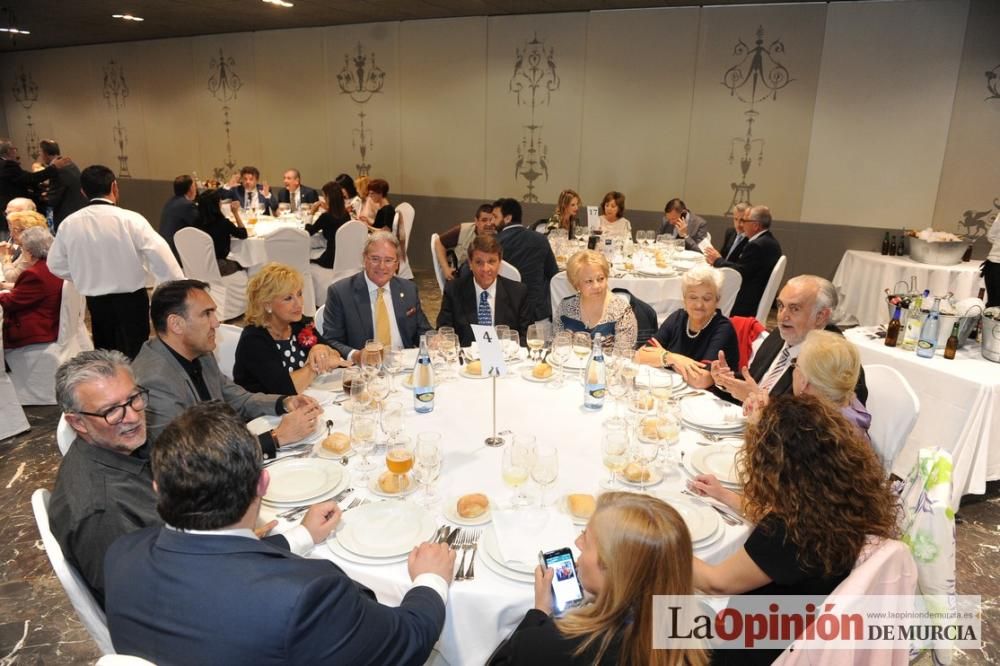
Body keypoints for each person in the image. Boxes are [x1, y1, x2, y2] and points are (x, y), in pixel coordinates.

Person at [104, 402, 455, 665]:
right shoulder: (308, 595)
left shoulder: (121, 555)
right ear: (263, 483)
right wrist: (430, 581)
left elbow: (213, 564)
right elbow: (407, 641)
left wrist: (300, 537)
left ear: (156, 487)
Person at [48, 351, 334, 609]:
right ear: (77, 423)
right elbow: (172, 596)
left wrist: (228, 537)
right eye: (111, 411)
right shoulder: (102, 512)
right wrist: (296, 539)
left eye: (134, 398)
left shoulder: (120, 449)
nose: (133, 417)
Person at [690, 394, 897, 665]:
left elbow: (715, 583)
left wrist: (661, 540)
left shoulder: (785, 534)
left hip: (755, 645)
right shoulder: (840, 501)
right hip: (802, 626)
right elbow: (776, 514)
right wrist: (727, 496)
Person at [488, 492, 707, 666]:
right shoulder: (705, 625)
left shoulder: (553, 646)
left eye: (587, 539)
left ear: (610, 568)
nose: (577, 542)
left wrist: (538, 613)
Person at [132, 279, 322, 454]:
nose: (216, 323)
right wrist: (275, 438)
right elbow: (188, 458)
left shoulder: (201, 354)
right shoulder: (154, 381)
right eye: (207, 314)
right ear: (176, 324)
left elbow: (238, 400)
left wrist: (284, 402)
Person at [48, 165, 184, 359]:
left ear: (83, 192)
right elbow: (161, 256)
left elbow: (55, 265)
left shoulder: (70, 223)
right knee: (138, 356)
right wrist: (173, 289)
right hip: (132, 300)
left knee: (107, 357)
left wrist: (84, 274)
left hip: (97, 303)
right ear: (114, 187)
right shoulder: (130, 219)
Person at [711, 274, 868, 405]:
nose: (782, 316)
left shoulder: (837, 363)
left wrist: (757, 402)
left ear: (821, 316)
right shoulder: (779, 336)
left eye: (794, 308)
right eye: (780, 306)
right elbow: (755, 382)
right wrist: (727, 381)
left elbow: (815, 431)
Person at [234, 263, 346, 394]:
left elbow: (337, 356)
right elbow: (284, 388)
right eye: (288, 298)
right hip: (265, 411)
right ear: (267, 304)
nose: (299, 303)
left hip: (306, 401)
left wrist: (320, 348)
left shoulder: (299, 324)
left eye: (299, 294)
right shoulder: (253, 340)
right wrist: (314, 367)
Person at [322, 231, 431, 363]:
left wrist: (433, 339)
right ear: (364, 259)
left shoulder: (408, 289)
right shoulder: (340, 293)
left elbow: (422, 331)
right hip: (364, 371)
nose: (382, 266)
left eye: (389, 260)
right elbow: (330, 340)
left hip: (404, 367)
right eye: (375, 259)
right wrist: (356, 355)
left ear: (397, 264)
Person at [743, 329, 871, 439]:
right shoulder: (849, 409)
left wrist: (758, 424)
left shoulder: (810, 430)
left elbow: (767, 464)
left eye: (795, 364)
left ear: (804, 381)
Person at [635, 265, 738, 387]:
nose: (699, 304)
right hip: (672, 390)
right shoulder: (678, 317)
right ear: (684, 299)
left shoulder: (723, 329)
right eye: (693, 297)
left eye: (707, 298)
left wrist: (665, 358)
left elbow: (700, 380)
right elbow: (639, 356)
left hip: (708, 399)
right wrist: (673, 358)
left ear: (717, 300)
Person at [437, 234, 531, 347]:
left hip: (506, 359)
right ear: (470, 264)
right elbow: (444, 331)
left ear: (499, 263)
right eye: (479, 262)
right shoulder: (454, 290)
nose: (486, 269)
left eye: (491, 261)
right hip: (467, 360)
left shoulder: (518, 292)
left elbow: (526, 337)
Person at [703, 205, 782, 317]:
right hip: (756, 292)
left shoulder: (756, 245)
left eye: (745, 220)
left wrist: (718, 261)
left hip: (746, 300)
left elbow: (740, 272)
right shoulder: (768, 241)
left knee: (706, 297)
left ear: (755, 225)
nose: (742, 224)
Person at [554, 250, 637, 354]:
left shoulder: (622, 311)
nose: (597, 286)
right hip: (572, 368)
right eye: (589, 281)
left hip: (607, 369)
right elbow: (559, 350)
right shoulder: (565, 308)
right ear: (576, 285)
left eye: (601, 279)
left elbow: (623, 357)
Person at [495, 197, 560, 323]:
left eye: (495, 217)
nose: (492, 221)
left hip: (506, 314)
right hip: (538, 314)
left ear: (507, 218)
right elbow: (553, 274)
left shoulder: (495, 244)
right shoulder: (541, 239)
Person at [0, 226, 62, 349]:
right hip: (51, 321)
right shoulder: (53, 265)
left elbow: (11, 302)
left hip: (34, 330)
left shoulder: (35, 273)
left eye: (22, 248)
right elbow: (28, 292)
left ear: (29, 251)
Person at [0, 138, 70, 217]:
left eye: (40, 152)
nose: (16, 151)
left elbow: (22, 179)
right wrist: (54, 167)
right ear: (9, 151)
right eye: (14, 149)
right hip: (16, 206)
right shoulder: (6, 165)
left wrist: (42, 187)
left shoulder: (4, 164)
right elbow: (29, 178)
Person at [433, 203, 497, 282]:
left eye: (491, 220)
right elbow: (438, 242)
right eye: (484, 220)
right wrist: (445, 268)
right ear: (476, 221)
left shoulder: (501, 235)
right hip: (463, 280)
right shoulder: (463, 230)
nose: (489, 224)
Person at [194, 188, 248, 276]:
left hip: (199, 263)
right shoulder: (223, 223)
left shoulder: (196, 222)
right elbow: (243, 234)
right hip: (219, 265)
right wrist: (235, 213)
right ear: (216, 205)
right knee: (246, 264)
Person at [38, 139, 87, 230]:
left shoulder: (58, 169)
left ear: (45, 154)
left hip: (67, 215)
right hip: (77, 210)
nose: (40, 156)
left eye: (40, 153)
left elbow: (52, 200)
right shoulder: (69, 163)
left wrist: (38, 196)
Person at [305, 181, 354, 269]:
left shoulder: (326, 217)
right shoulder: (345, 214)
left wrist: (311, 213)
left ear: (328, 198)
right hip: (344, 257)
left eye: (324, 196)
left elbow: (308, 232)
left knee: (306, 249)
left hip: (330, 259)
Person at [1, 209, 48, 285]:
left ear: (28, 231)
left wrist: (5, 257)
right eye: (11, 230)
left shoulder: (33, 250)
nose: (11, 235)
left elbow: (12, 278)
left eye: (15, 230)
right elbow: (14, 269)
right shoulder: (26, 247)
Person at [158, 174, 199, 261]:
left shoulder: (170, 201)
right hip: (177, 252)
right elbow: (200, 225)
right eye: (195, 186)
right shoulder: (187, 205)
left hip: (165, 247)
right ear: (191, 189)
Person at [983, 209, 1000, 307]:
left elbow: (991, 236)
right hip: (996, 263)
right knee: (995, 307)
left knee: (994, 306)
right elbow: (992, 236)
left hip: (995, 264)